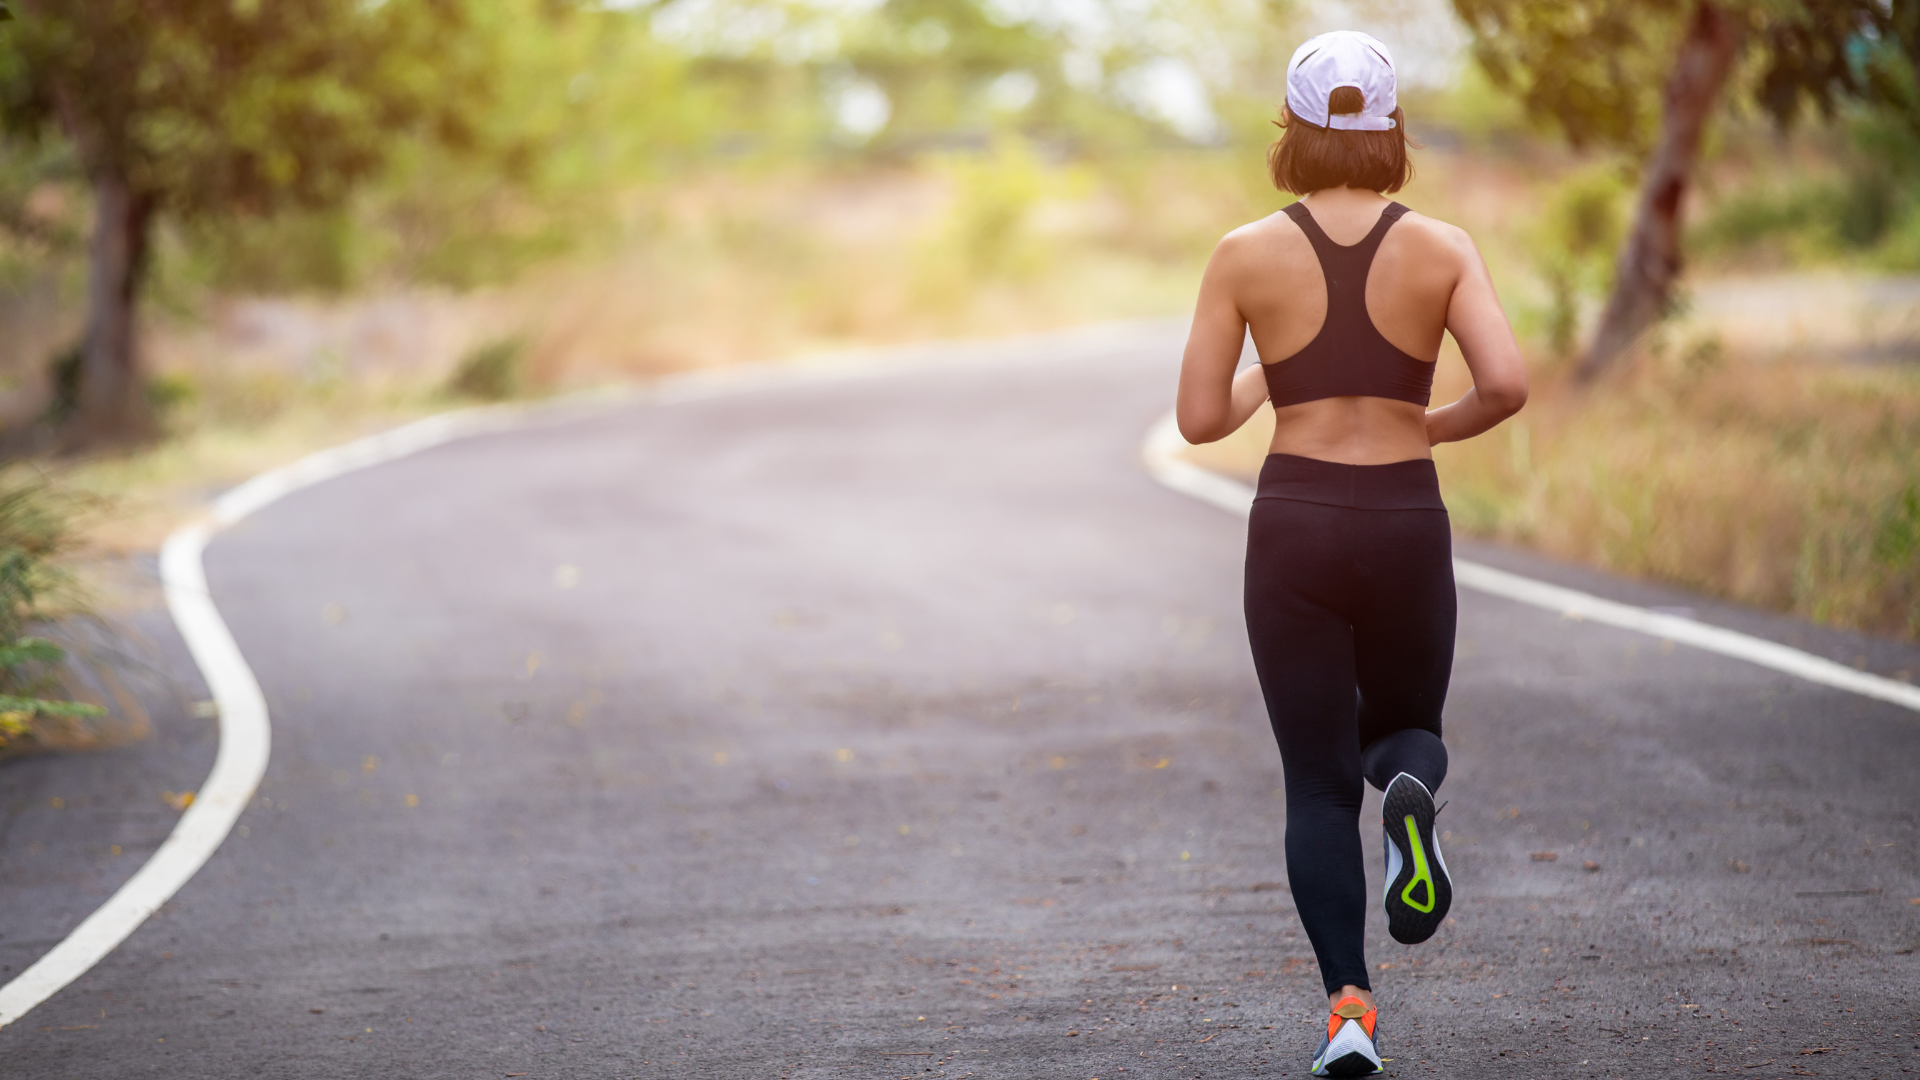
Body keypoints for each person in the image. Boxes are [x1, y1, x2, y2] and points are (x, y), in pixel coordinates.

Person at [1174, 29, 1528, 1078]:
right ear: (1391, 130)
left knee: (1317, 787)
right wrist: (1428, 426)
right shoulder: (1444, 247)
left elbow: (1197, 419)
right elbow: (1505, 384)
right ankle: (1412, 801)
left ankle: (1349, 1011)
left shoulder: (1243, 253)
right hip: (1403, 517)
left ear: (1291, 132)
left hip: (1294, 522)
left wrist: (1279, 377)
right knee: (1408, 728)